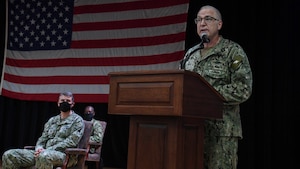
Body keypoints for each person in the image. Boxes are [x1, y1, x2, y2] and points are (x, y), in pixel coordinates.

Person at [180, 5, 253, 169]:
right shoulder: (190, 54)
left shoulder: (232, 52)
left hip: (221, 133)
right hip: (191, 131)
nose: (202, 23)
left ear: (219, 24)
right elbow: (180, 87)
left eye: (208, 19)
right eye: (198, 19)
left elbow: (243, 89)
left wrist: (207, 95)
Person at [1, 92, 84, 169]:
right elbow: (43, 138)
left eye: (68, 101)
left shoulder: (77, 120)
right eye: (62, 100)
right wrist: (39, 148)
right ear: (58, 103)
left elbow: (71, 142)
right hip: (43, 153)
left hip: (64, 156)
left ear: (72, 104)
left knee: (44, 156)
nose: (65, 102)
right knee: (9, 155)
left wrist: (48, 150)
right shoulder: (52, 120)